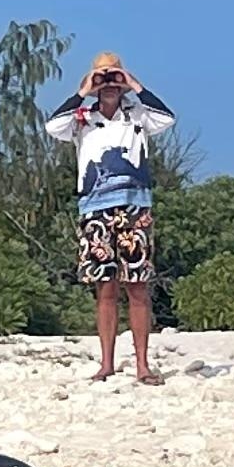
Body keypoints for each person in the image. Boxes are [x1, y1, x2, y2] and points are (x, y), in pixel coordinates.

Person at [46, 51, 175, 384]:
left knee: (138, 287)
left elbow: (167, 119)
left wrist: (134, 84)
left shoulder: (137, 115)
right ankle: (107, 363)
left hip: (135, 207)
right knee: (105, 288)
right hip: (95, 209)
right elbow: (53, 127)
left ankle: (143, 365)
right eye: (102, 78)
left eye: (113, 78)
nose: (108, 85)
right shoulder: (82, 117)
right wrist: (82, 92)